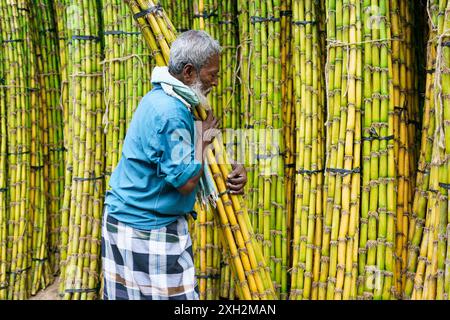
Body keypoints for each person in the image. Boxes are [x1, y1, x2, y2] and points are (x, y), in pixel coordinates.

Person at [101, 30, 248, 300]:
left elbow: (188, 154)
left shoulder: (174, 99)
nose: (215, 82)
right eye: (212, 74)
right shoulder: (171, 111)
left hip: (138, 220)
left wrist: (231, 166)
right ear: (189, 72)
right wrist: (202, 140)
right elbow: (185, 181)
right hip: (142, 226)